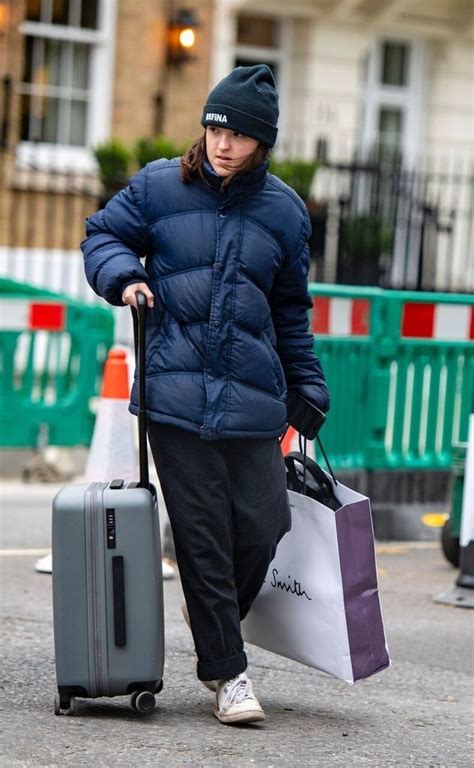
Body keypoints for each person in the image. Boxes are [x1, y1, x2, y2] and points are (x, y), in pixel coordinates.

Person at [82, 64, 329, 726]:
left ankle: (211, 612)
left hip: (252, 396)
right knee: (202, 538)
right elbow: (101, 234)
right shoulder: (161, 185)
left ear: (262, 144)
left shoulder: (284, 212)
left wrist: (307, 381)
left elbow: (290, 311)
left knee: (263, 522)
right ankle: (228, 674)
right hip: (174, 391)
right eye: (216, 126)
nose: (223, 143)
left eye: (240, 135)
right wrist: (124, 278)